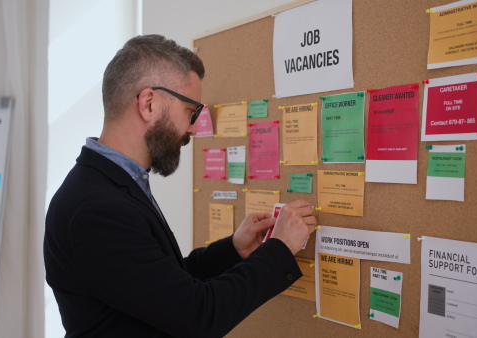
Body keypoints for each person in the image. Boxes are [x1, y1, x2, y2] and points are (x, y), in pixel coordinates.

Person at [44, 34, 317, 338]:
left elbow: (161, 286)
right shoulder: (96, 209)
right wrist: (278, 249)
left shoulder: (112, 184)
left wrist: (233, 250)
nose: (192, 127)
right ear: (148, 103)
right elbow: (197, 315)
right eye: (191, 111)